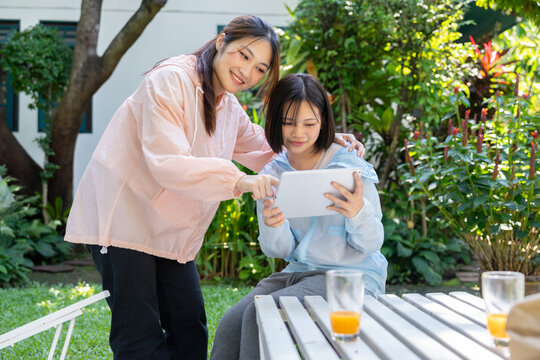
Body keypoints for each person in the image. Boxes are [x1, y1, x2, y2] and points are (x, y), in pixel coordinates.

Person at [64, 16, 362, 360]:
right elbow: (166, 161)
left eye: (260, 68)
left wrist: (323, 142)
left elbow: (268, 149)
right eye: (244, 56)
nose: (248, 72)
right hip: (123, 225)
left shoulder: (227, 106)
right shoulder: (170, 80)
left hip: (170, 237)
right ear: (222, 41)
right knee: (139, 339)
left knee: (190, 331)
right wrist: (238, 180)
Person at [210, 73, 388, 360]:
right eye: (288, 122)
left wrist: (358, 213)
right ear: (276, 121)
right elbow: (278, 250)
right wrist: (274, 225)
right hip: (298, 273)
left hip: (347, 276)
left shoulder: (350, 165)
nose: (298, 133)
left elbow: (371, 244)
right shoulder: (272, 173)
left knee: (260, 314)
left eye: (309, 123)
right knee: (232, 322)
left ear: (323, 122)